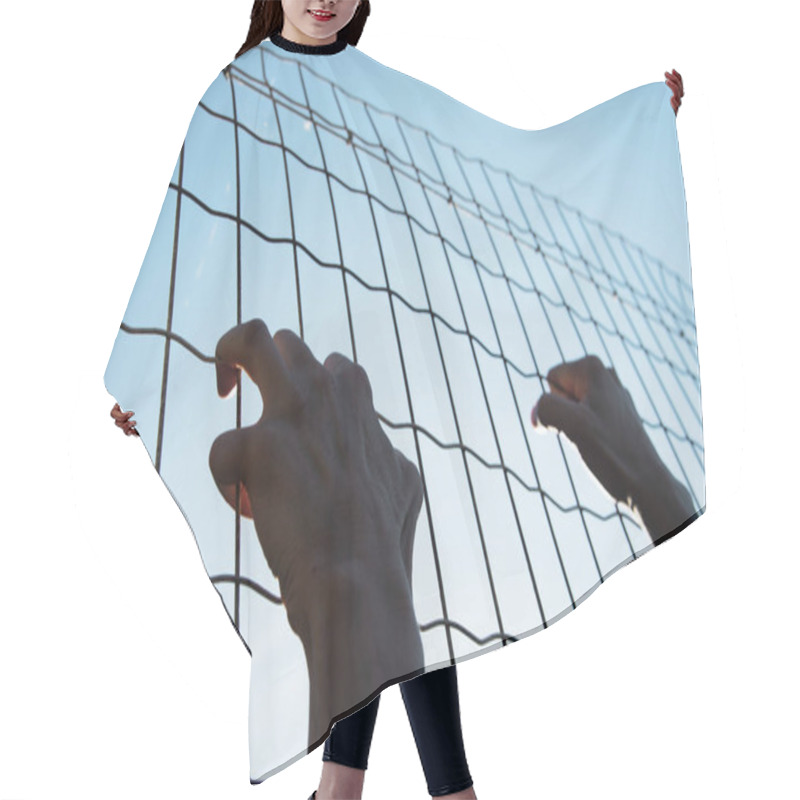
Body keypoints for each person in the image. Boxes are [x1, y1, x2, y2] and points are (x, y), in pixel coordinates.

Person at [110, 2, 687, 798]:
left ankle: (358, 788)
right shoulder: (235, 94)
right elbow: (191, 248)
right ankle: (415, 789)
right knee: (377, 581)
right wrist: (150, 382)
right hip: (299, 385)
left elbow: (486, 168)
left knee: (403, 586)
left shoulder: (375, 91)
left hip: (381, 376)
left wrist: (637, 122)